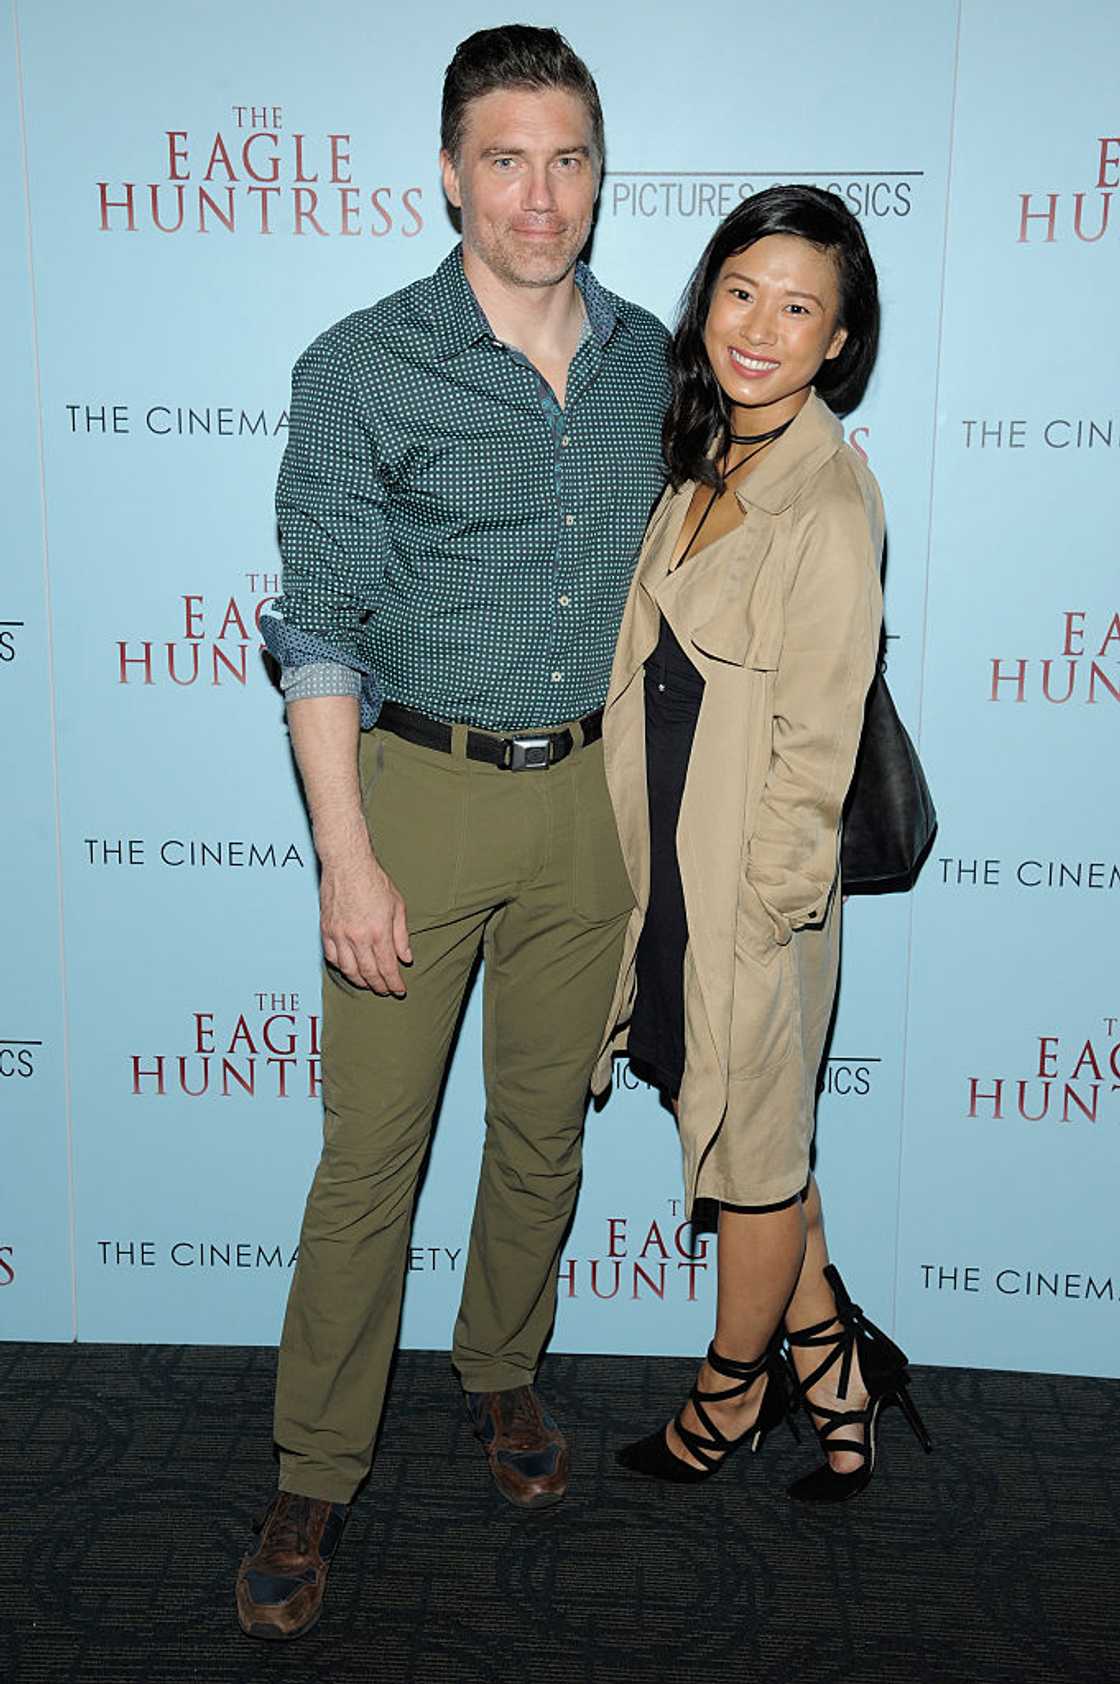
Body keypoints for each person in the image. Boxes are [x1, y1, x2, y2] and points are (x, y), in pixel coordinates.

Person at [236, 25, 669, 1640]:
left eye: (567, 157)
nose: (539, 193)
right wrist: (347, 854)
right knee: (369, 1164)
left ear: (597, 172)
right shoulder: (360, 365)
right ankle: (313, 1469)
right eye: (506, 157)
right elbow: (319, 628)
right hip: (409, 796)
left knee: (545, 1133)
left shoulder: (651, 359)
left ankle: (502, 1377)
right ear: (449, 172)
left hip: (593, 805)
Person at [593, 185, 931, 1500]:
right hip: (669, 862)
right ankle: (836, 1369)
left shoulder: (831, 504)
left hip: (751, 885)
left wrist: (766, 912)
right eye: (742, 291)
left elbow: (817, 737)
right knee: (755, 1136)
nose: (761, 325)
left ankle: (731, 1397)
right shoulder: (704, 455)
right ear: (707, 298)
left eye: (801, 308)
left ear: (839, 341)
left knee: (752, 1154)